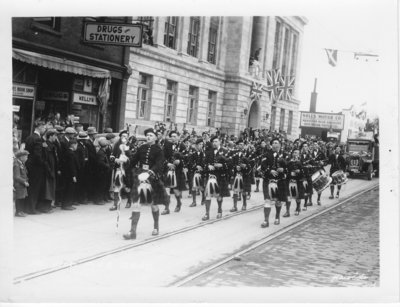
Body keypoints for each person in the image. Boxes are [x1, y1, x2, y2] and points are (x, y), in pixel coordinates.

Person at [123, 128, 169, 240]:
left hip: (152, 178)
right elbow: (134, 160)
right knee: (136, 203)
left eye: (151, 135)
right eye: (147, 135)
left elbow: (159, 164)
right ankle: (132, 232)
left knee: (153, 205)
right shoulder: (141, 147)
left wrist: (151, 171)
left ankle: (156, 226)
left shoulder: (159, 150)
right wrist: (125, 161)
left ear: (155, 137)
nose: (148, 137)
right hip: (140, 176)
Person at [260, 138, 288, 227]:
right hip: (268, 180)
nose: (275, 145)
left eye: (277, 143)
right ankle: (266, 220)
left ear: (280, 145)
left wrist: (283, 169)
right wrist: (270, 171)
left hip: (280, 181)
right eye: (274, 143)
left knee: (278, 201)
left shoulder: (285, 155)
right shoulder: (266, 154)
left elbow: (289, 166)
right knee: (267, 201)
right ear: (271, 145)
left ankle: (277, 217)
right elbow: (263, 166)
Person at [202, 136, 231, 221]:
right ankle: (207, 214)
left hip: (220, 176)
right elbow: (204, 162)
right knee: (208, 195)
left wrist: (222, 165)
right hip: (210, 176)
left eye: (216, 141)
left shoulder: (225, 151)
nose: (214, 143)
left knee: (219, 195)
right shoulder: (208, 152)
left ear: (220, 142)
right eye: (213, 141)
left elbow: (230, 164)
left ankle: (219, 210)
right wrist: (208, 166)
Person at [24, 121, 46, 214]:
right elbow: (38, 155)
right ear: (40, 127)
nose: (44, 130)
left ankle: (27, 207)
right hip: (36, 167)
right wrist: (43, 163)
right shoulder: (38, 139)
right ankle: (32, 209)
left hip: (29, 164)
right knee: (35, 187)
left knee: (30, 186)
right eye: (44, 128)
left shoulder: (29, 137)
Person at [163, 130, 187, 213]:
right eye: (171, 136)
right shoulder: (167, 145)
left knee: (176, 191)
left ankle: (178, 203)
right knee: (167, 189)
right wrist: (167, 163)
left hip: (178, 171)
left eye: (174, 136)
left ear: (178, 137)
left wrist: (180, 162)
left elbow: (186, 158)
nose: (173, 138)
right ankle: (166, 208)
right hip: (168, 169)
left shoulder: (182, 146)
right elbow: (163, 157)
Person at [109, 130, 132, 211]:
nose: (124, 138)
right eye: (123, 136)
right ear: (120, 137)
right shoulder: (116, 145)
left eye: (126, 136)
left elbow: (132, 158)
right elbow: (112, 155)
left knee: (127, 186)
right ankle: (115, 204)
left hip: (127, 169)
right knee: (117, 186)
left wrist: (126, 159)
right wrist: (115, 159)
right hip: (118, 168)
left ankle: (129, 200)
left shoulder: (130, 146)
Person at [38, 128, 59, 213]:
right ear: (50, 136)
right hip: (48, 170)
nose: (56, 138)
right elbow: (45, 160)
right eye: (55, 136)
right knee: (47, 189)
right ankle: (45, 207)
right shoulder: (46, 145)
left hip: (52, 169)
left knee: (50, 189)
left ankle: (48, 206)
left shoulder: (51, 145)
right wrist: (49, 170)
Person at [229, 139, 253, 212]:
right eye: (239, 144)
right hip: (237, 174)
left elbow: (252, 164)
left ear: (244, 145)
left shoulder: (248, 153)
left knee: (244, 191)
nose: (241, 146)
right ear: (237, 145)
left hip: (245, 174)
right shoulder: (234, 153)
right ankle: (234, 206)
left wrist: (245, 166)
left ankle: (244, 204)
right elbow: (231, 162)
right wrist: (235, 167)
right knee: (235, 191)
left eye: (242, 144)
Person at [187, 138, 206, 207]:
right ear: (196, 145)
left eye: (202, 144)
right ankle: (194, 201)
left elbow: (205, 162)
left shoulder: (203, 153)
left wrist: (201, 167)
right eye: (199, 144)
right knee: (193, 186)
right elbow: (190, 162)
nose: (201, 146)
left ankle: (203, 198)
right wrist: (196, 166)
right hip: (193, 171)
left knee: (201, 187)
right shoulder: (192, 153)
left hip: (201, 172)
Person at [62, 139, 79, 210]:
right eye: (76, 145)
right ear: (73, 145)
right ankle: (67, 204)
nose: (76, 146)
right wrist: (73, 176)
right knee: (69, 190)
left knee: (68, 189)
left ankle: (67, 204)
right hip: (70, 175)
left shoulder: (68, 152)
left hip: (67, 174)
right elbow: (71, 166)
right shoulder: (71, 153)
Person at [94, 138, 112, 205]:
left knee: (102, 186)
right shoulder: (101, 153)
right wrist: (107, 166)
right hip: (101, 172)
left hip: (102, 172)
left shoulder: (102, 152)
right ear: (106, 146)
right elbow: (101, 162)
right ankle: (98, 200)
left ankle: (100, 199)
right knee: (100, 186)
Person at [13, 150, 30, 217]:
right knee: (19, 198)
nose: (27, 158)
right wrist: (24, 182)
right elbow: (16, 176)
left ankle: (20, 211)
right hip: (19, 184)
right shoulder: (17, 164)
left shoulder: (21, 163)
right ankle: (18, 212)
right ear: (21, 157)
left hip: (22, 184)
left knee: (22, 198)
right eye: (26, 156)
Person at [86, 127, 98, 202]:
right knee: (89, 181)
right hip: (90, 165)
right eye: (94, 134)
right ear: (92, 135)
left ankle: (89, 196)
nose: (95, 135)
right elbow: (91, 155)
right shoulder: (88, 142)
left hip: (91, 164)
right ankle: (88, 196)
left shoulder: (91, 141)